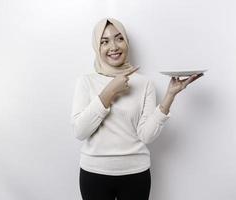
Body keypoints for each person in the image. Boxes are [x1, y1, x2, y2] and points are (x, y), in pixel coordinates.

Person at [71, 18, 203, 200]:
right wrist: (109, 92)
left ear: (126, 41)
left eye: (119, 38)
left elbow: (146, 136)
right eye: (105, 41)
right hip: (94, 174)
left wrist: (170, 95)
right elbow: (80, 131)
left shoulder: (144, 83)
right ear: (97, 46)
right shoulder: (86, 82)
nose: (114, 46)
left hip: (135, 174)